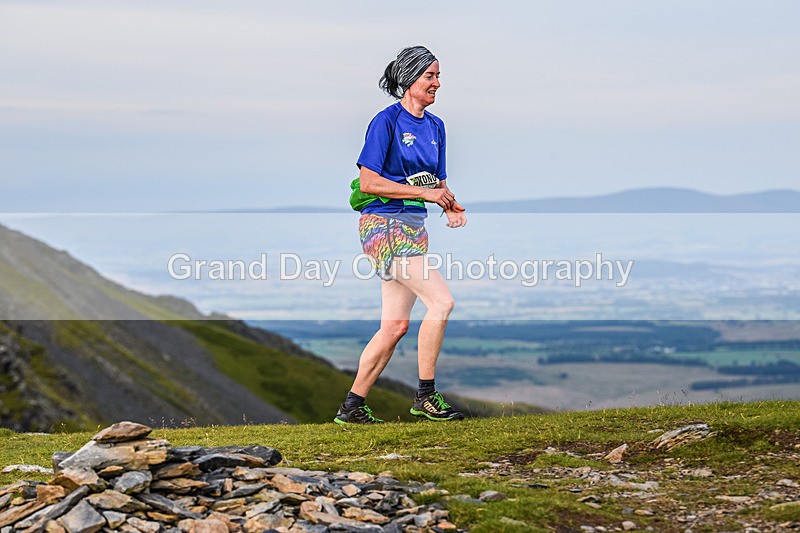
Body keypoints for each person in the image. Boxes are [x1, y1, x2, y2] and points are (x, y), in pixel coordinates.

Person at [335, 45, 467, 424]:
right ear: (409, 80)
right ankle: (426, 395)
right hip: (384, 225)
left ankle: (352, 406)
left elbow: (435, 182)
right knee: (441, 303)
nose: (437, 83)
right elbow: (370, 180)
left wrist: (448, 204)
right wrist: (427, 194)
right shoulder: (386, 121)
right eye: (430, 76)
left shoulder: (437, 127)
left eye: (438, 76)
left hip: (414, 227)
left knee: (394, 326)